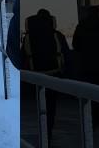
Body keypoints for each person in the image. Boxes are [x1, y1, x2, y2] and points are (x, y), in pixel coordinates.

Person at [22, 9, 70, 142]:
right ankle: (48, 132)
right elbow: (66, 53)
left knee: (40, 105)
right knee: (51, 106)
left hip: (35, 76)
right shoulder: (57, 35)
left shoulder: (28, 37)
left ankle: (44, 131)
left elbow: (23, 56)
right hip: (54, 74)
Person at [72, 6, 99, 128]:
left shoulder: (81, 27)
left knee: (87, 93)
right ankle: (98, 119)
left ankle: (89, 118)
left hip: (86, 65)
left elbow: (75, 44)